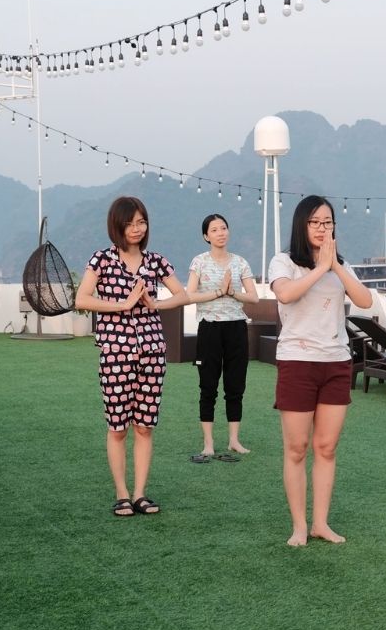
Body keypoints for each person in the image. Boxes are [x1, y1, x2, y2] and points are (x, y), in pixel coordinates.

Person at [75, 196, 190, 517]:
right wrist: (123, 305)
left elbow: (182, 294)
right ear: (117, 225)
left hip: (152, 349)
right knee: (118, 426)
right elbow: (82, 298)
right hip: (115, 350)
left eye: (141, 222)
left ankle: (140, 493)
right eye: (130, 223)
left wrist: (156, 305)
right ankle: (122, 493)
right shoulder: (101, 260)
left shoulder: (156, 261)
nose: (137, 228)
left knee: (145, 425)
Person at [268, 195, 372, 546]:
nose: (322, 228)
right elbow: (285, 295)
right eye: (315, 222)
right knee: (296, 448)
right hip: (298, 361)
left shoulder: (340, 266)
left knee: (326, 447)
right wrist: (318, 269)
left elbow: (365, 300)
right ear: (302, 225)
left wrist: (335, 265)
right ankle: (299, 525)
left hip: (336, 362)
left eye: (327, 222)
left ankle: (321, 523)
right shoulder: (283, 262)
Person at [185, 213, 259, 463]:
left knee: (235, 385)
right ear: (206, 236)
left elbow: (254, 297)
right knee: (208, 386)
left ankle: (234, 440)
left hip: (236, 328)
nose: (220, 233)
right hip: (210, 329)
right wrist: (219, 292)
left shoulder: (240, 263)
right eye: (214, 230)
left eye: (224, 228)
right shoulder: (199, 262)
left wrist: (233, 292)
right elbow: (190, 295)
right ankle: (208, 444)